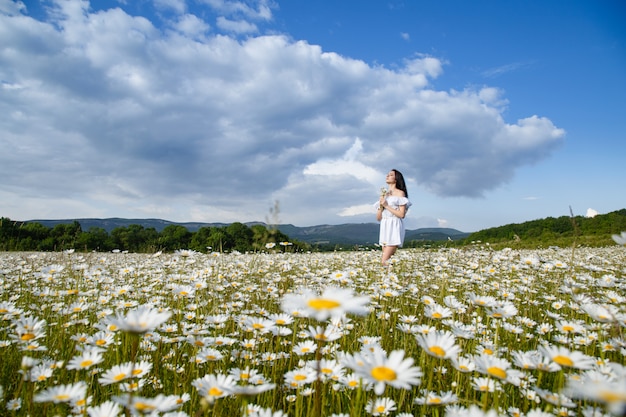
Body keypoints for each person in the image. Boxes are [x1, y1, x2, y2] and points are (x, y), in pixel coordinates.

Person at [375, 169, 411, 266]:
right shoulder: (385, 195)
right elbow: (378, 218)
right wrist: (381, 206)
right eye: (387, 174)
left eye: (390, 175)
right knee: (388, 261)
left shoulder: (400, 194)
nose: (387, 176)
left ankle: (386, 279)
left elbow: (401, 215)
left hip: (394, 225)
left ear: (396, 179)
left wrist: (386, 205)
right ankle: (391, 278)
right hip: (384, 225)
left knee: (384, 261)